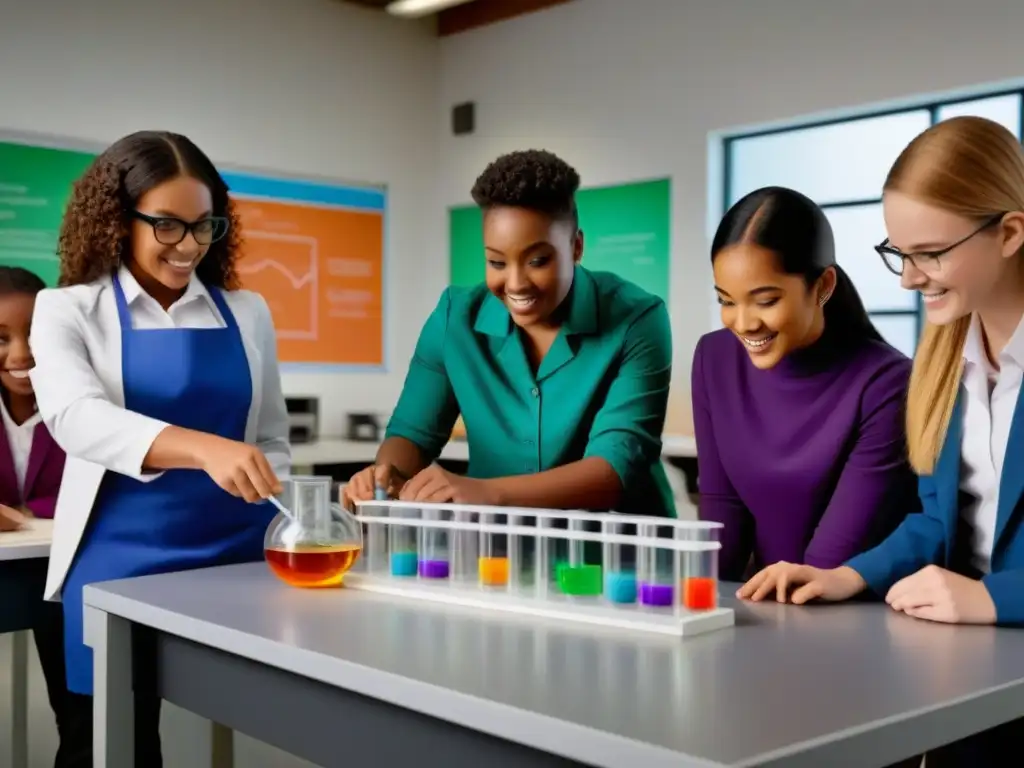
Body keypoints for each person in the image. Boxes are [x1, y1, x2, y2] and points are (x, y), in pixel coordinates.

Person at [737, 116, 1024, 765]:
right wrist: (848, 575)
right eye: (899, 253)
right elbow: (937, 519)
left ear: (1009, 232)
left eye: (931, 253)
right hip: (971, 675)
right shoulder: (945, 361)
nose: (908, 279)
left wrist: (990, 596)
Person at [28, 130, 290, 767]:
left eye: (204, 227)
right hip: (121, 559)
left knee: (285, 721)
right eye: (167, 226)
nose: (189, 246)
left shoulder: (247, 311)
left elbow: (272, 437)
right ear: (119, 222)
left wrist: (288, 513)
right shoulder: (67, 310)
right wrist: (204, 449)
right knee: (113, 743)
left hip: (238, 557)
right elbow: (75, 418)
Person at [344, 149, 674, 516]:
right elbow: (411, 435)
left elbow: (614, 469)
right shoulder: (455, 318)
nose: (516, 284)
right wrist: (386, 475)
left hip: (620, 558)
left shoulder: (638, 318)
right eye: (497, 262)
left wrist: (484, 492)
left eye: (538, 261)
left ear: (576, 246)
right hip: (496, 555)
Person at [693, 186, 918, 580]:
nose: (743, 323)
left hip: (855, 611)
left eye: (765, 301)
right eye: (726, 301)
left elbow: (830, 562)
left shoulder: (886, 384)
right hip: (767, 605)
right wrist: (695, 604)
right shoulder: (714, 359)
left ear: (824, 286)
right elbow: (721, 508)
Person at [0, 266, 72, 760]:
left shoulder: (80, 405)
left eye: (34, 335)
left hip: (62, 568)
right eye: (1, 337)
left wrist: (25, 511)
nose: (21, 354)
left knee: (82, 712)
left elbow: (103, 483)